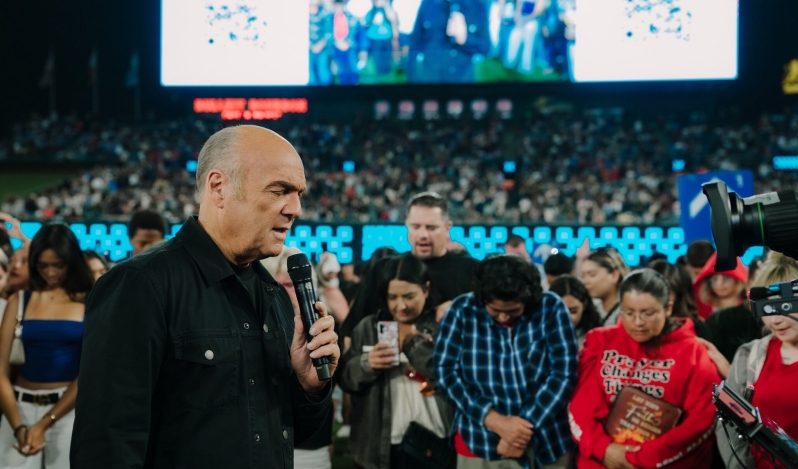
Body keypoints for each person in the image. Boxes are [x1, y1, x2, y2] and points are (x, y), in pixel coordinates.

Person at [70, 125, 340, 468]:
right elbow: (107, 445)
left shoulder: (274, 295)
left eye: (299, 193)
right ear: (218, 187)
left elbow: (290, 436)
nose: (296, 208)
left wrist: (308, 386)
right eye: (279, 190)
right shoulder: (140, 284)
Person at [435, 254, 577, 469]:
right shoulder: (462, 310)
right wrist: (493, 420)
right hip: (479, 439)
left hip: (546, 441)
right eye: (495, 311)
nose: (503, 318)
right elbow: (446, 373)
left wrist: (519, 431)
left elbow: (563, 374)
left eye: (512, 311)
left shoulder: (551, 308)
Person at [569, 269, 720, 469]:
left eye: (648, 313)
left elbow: (701, 421)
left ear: (668, 308)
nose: (638, 322)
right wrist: (603, 449)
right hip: (601, 462)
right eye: (629, 313)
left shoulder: (693, 352)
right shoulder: (600, 340)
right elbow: (581, 405)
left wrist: (639, 459)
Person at [340, 254, 452, 468]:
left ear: (426, 289)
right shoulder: (369, 328)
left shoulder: (444, 325)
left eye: (409, 296)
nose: (401, 305)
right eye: (392, 297)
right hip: (378, 448)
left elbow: (455, 378)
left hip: (436, 443)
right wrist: (366, 363)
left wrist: (415, 348)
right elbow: (345, 380)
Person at [0, 223, 95, 469]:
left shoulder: (91, 300)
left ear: (72, 261)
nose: (51, 272)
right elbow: (0, 370)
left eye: (58, 265)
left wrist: (45, 423)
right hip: (18, 408)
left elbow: (90, 371)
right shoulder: (21, 300)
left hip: (68, 411)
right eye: (43, 265)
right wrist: (19, 426)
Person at [716, 254, 798, 469]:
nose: (775, 319)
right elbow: (730, 424)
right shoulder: (749, 356)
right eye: (767, 309)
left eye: (784, 306)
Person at [262, 247, 337, 469]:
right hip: (270, 442)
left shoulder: (323, 327)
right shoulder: (259, 329)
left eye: (295, 285)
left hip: (312, 445)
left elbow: (331, 388)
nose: (291, 291)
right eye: (284, 285)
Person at [405, 191, 478, 321]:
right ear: (407, 226)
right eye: (416, 227)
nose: (423, 235)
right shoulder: (393, 269)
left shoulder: (472, 270)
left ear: (447, 228)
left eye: (431, 228)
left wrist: (460, 308)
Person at [407, 0, 491, 83]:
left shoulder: (477, 6)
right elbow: (414, 44)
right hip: (431, 81)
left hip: (462, 82)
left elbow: (486, 47)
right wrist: (412, 82)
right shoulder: (428, 3)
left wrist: (466, 39)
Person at [648, 260, 711, 340]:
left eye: (662, 293)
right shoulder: (636, 326)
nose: (655, 299)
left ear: (679, 295)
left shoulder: (698, 329)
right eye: (650, 292)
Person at [548, 275, 601, 349]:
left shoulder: (599, 338)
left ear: (585, 304)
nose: (567, 317)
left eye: (573, 311)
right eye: (561, 311)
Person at [581, 248, 629, 326]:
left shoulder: (629, 310)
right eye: (583, 276)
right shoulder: (590, 310)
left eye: (592, 275)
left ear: (614, 275)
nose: (585, 281)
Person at [694, 252, 747, 320]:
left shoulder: (748, 307)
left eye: (726, 279)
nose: (720, 284)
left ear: (737, 281)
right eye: (714, 280)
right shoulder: (701, 311)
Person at [310, 0, 334, 85]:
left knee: (323, 73)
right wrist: (310, 46)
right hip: (307, 49)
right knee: (310, 75)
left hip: (323, 48)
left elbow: (329, 31)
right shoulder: (302, 13)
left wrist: (320, 45)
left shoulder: (325, 12)